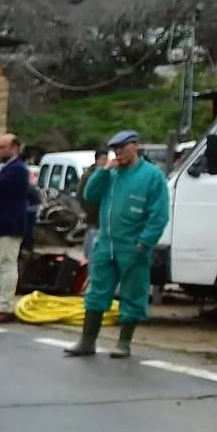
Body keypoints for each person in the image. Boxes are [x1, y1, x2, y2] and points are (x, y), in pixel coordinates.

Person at [66, 130, 169, 359]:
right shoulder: (111, 174)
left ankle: (124, 342)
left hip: (133, 245)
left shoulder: (152, 176)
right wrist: (103, 172)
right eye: (115, 149)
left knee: (133, 294)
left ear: (135, 146)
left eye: (122, 148)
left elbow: (159, 215)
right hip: (106, 242)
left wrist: (144, 243)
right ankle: (87, 342)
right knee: (96, 291)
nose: (118, 153)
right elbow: (90, 195)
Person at [0, 132, 37, 324]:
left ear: (15, 148)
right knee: (2, 264)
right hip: (0, 222)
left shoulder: (17, 169)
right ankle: (4, 303)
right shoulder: (2, 168)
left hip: (10, 223)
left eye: (2, 147)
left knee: (7, 264)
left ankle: (6, 306)